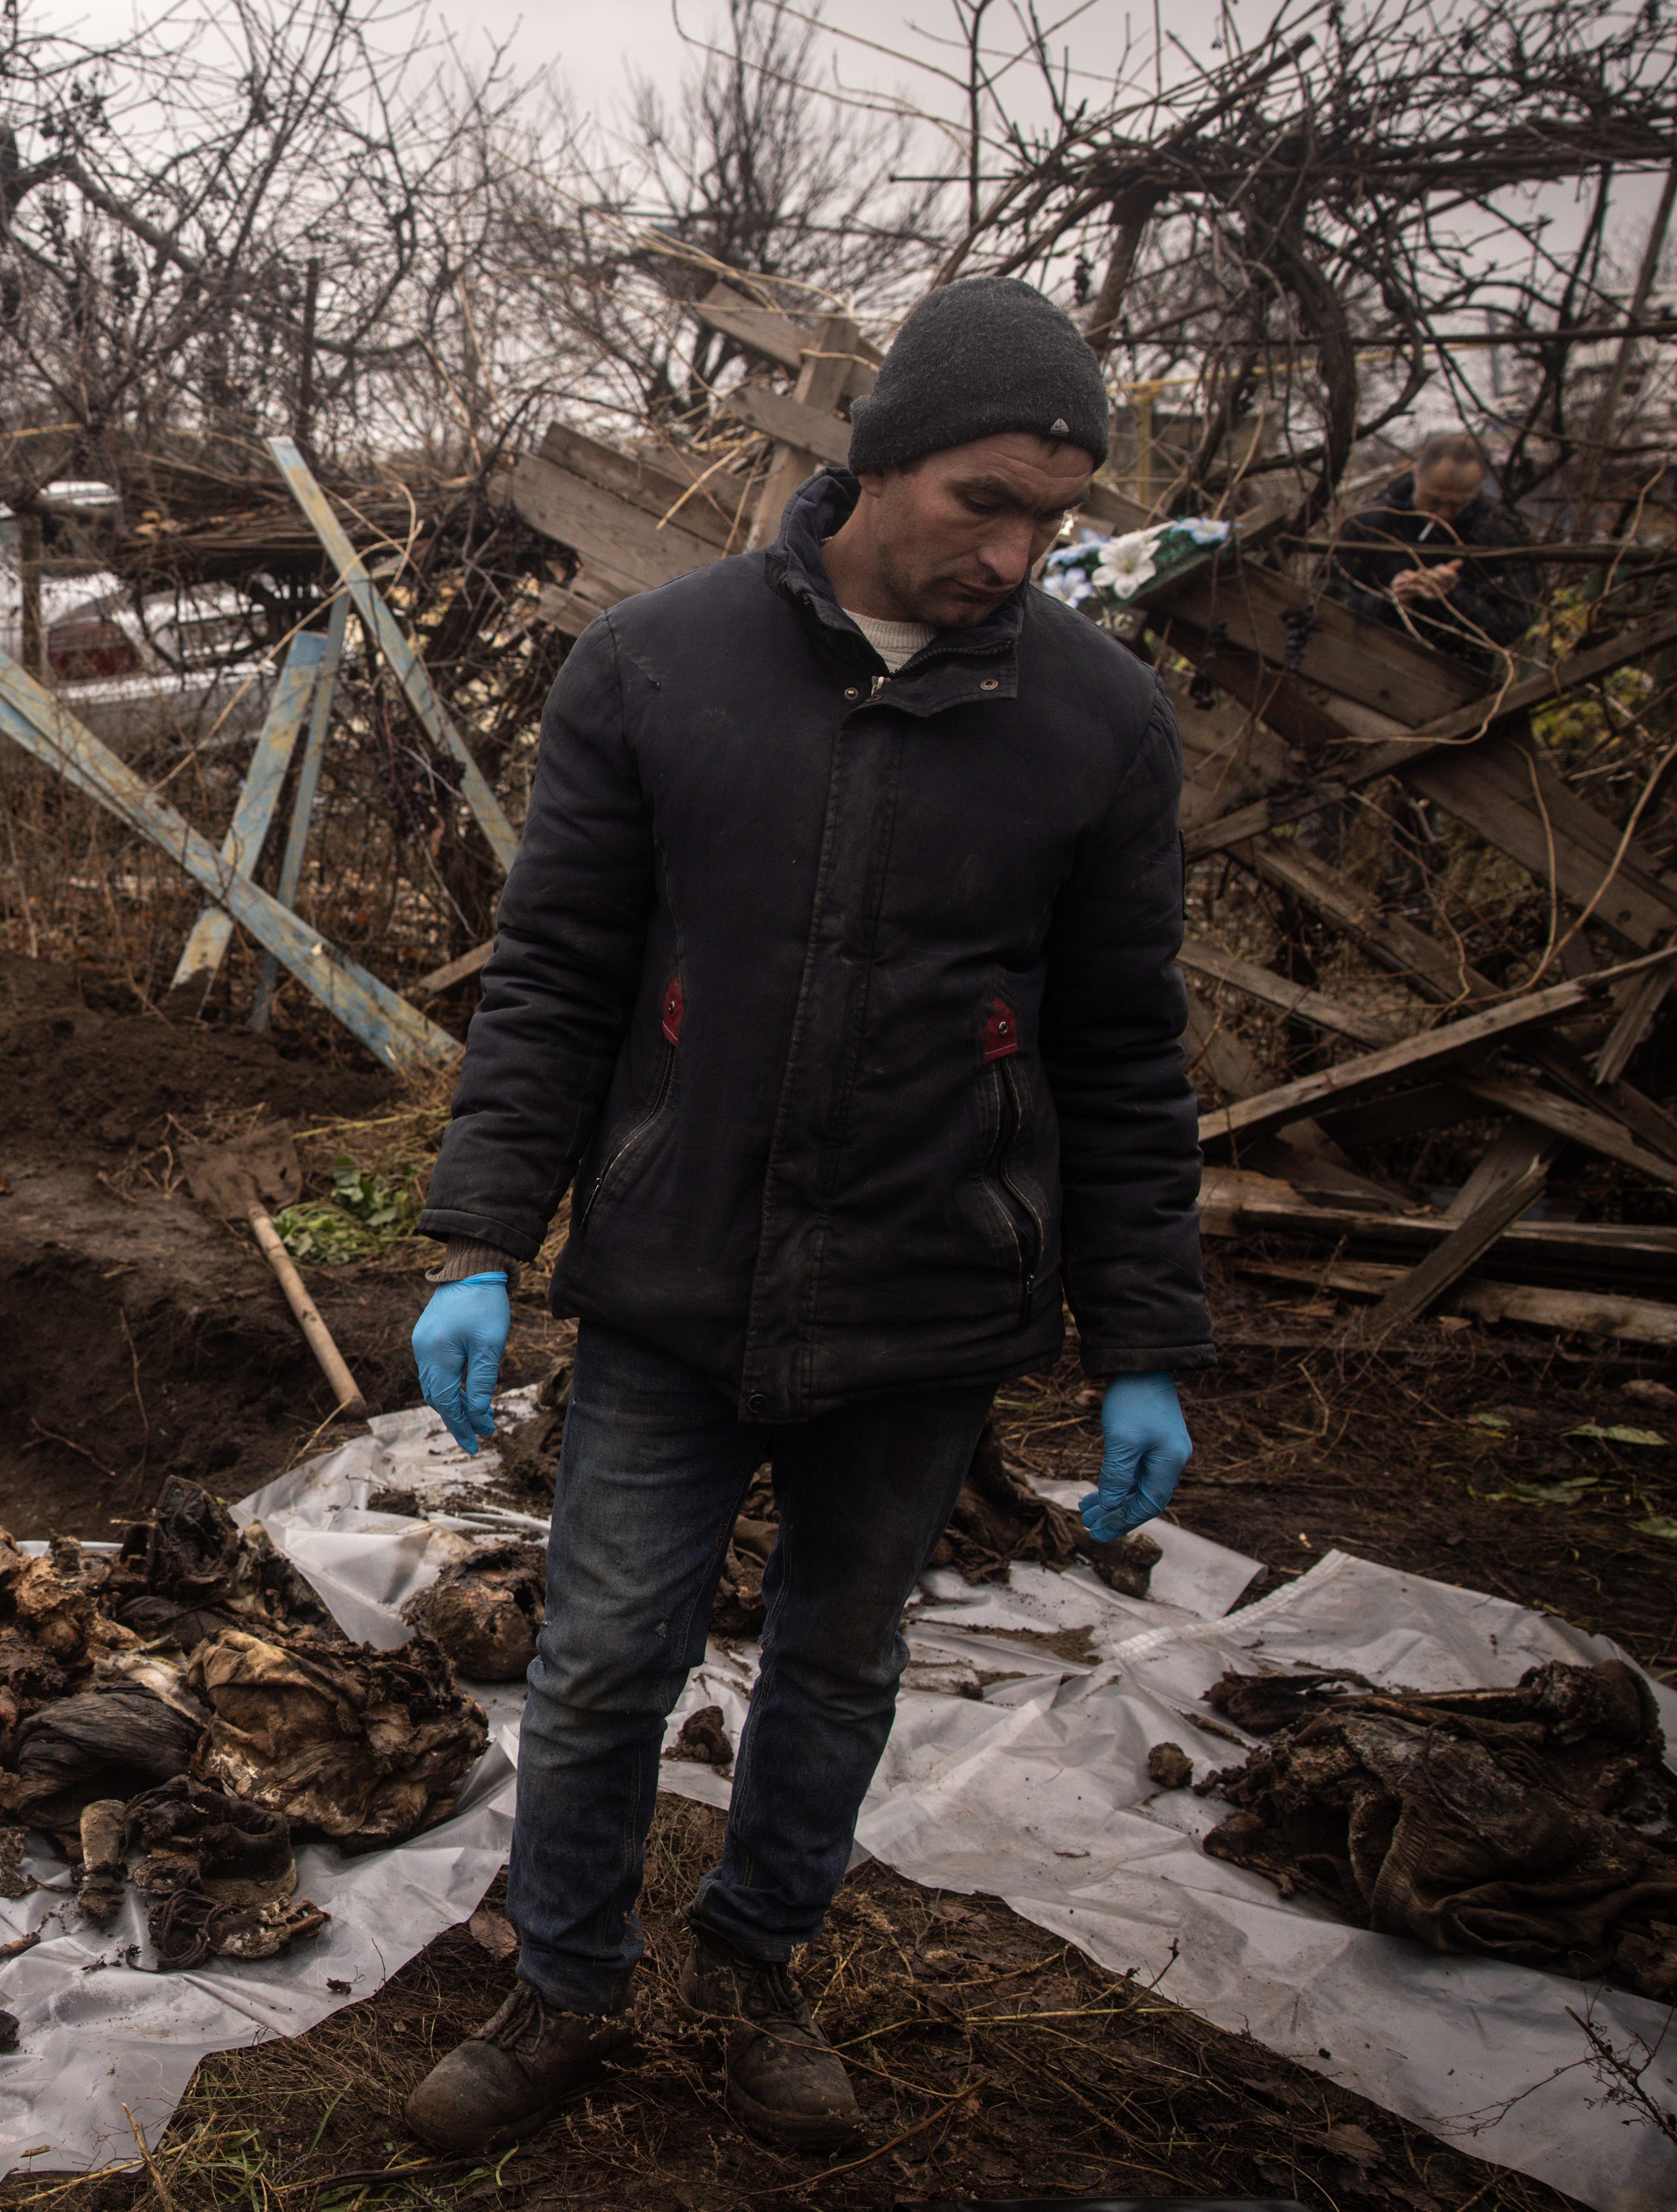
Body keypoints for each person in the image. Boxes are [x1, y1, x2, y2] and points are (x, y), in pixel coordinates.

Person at [399, 276, 1211, 2155]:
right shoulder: (655, 667)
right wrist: (472, 1239)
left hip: (930, 1297)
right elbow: (555, 979)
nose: (1014, 558)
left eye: (1051, 525)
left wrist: (1144, 1345)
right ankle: (564, 1983)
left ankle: (756, 1971)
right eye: (981, 507)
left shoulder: (1097, 725)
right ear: (875, 461)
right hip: (676, 1280)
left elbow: (1118, 1049)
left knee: (838, 1670)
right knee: (603, 1659)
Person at [1328, 432, 1541, 663]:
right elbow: (1325, 597)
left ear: (1477, 490)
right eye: (1434, 501)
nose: (1443, 514)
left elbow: (1513, 628)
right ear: (1417, 477)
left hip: (1457, 675)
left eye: (1457, 504)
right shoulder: (1370, 523)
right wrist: (1391, 601)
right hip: (1363, 660)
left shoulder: (1499, 535)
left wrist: (1453, 596)